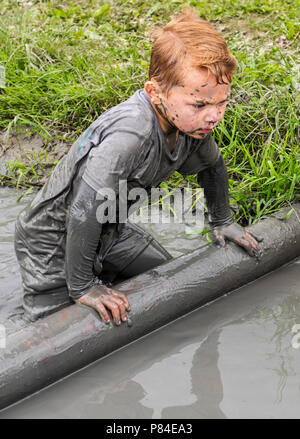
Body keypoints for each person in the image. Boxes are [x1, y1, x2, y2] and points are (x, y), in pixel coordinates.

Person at [14, 9, 263, 325]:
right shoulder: (130, 135)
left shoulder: (192, 125)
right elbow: (81, 209)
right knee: (58, 330)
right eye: (200, 104)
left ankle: (99, 275)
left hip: (108, 229)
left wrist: (223, 221)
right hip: (51, 239)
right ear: (155, 93)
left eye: (221, 102)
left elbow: (213, 168)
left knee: (171, 281)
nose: (213, 116)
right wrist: (83, 287)